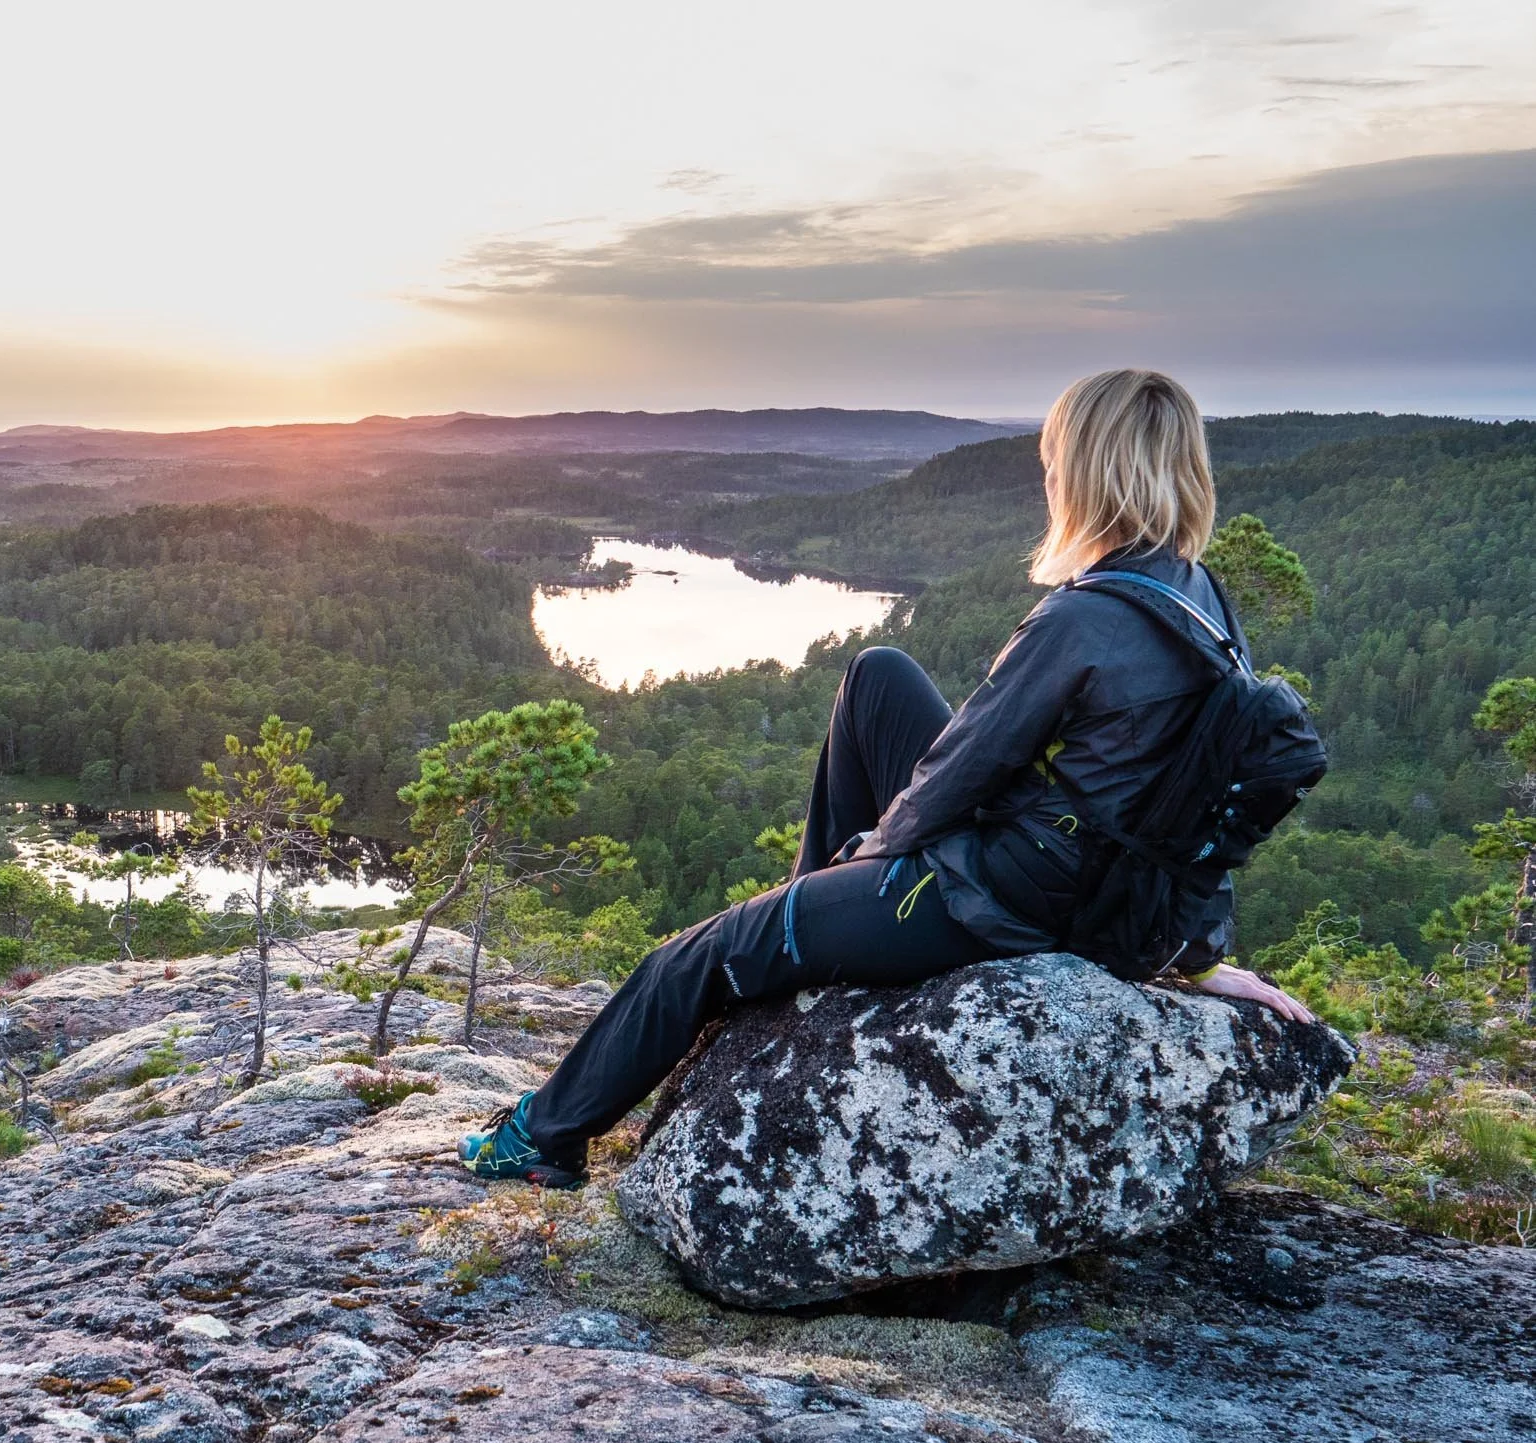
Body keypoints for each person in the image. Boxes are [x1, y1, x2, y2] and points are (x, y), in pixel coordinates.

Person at [463, 366, 1317, 1188]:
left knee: (697, 956)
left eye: (1054, 462)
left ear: (1088, 474)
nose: (1047, 478)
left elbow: (961, 770)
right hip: (1093, 885)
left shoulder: (1084, 617)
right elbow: (1200, 813)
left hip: (1011, 902)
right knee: (879, 674)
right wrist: (1197, 956)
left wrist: (870, 856)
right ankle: (805, 916)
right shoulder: (1197, 595)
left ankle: (543, 1138)